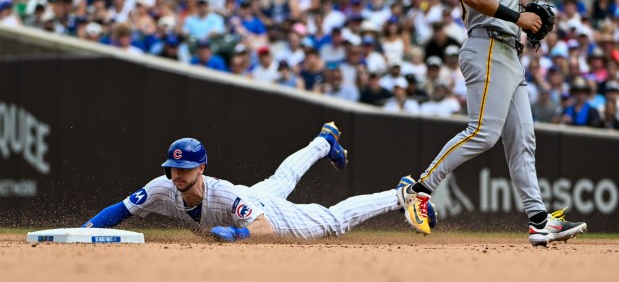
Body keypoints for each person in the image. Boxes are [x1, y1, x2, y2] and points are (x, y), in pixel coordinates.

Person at [396, 0, 587, 247]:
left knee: (522, 141)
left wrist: (519, 24)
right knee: (483, 131)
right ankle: (418, 190)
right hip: (488, 46)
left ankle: (539, 220)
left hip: (506, 52)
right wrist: (518, 17)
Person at [81, 123, 435, 240]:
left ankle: (401, 193)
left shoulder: (223, 194)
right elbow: (121, 209)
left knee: (331, 222)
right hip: (248, 197)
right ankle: (324, 142)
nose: (178, 174)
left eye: (186, 168)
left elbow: (263, 227)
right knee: (283, 176)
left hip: (258, 210)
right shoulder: (162, 188)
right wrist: (86, 230)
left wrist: (238, 234)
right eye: (174, 168)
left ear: (201, 168)